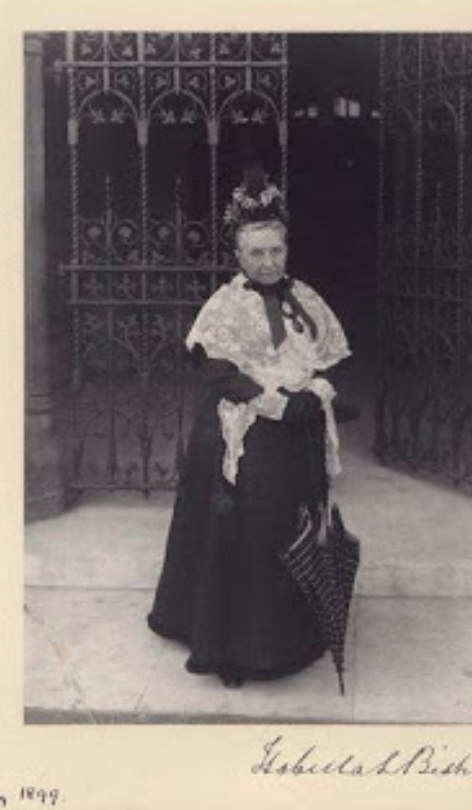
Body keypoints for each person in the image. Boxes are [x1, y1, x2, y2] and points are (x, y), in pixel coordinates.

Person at [147, 164, 351, 688]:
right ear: (238, 256)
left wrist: (316, 394)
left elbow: (330, 358)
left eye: (275, 251)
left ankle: (289, 636)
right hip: (243, 431)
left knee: (293, 529)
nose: (266, 262)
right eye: (255, 253)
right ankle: (233, 647)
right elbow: (215, 369)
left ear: (287, 251)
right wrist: (276, 404)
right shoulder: (225, 304)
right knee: (243, 530)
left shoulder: (305, 298)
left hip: (297, 437)